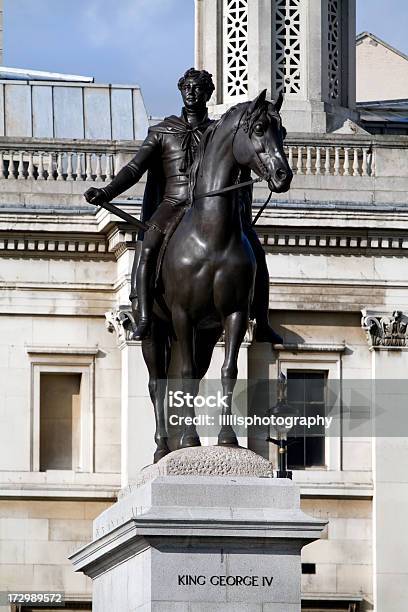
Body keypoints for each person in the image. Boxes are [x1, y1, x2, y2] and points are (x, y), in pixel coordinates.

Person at [85, 67, 282, 344]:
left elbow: (244, 164)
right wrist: (106, 191)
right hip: (173, 203)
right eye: (187, 87)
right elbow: (134, 168)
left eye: (198, 88)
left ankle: (261, 320)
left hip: (210, 205)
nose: (192, 92)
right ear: (181, 90)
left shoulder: (219, 132)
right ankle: (143, 315)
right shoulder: (163, 131)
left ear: (208, 94)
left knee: (254, 250)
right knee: (150, 243)